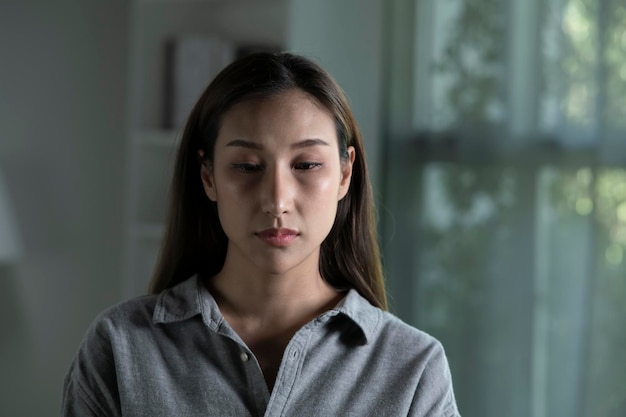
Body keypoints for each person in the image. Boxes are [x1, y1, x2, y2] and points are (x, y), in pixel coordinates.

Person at [62, 52, 460, 416]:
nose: (276, 200)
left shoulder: (414, 369)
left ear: (344, 174)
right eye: (248, 166)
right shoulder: (119, 349)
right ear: (208, 176)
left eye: (305, 165)